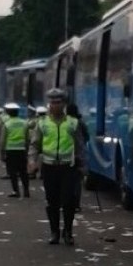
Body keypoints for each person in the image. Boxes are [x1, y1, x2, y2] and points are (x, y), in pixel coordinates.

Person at [28, 88, 85, 246]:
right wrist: (32, 161)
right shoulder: (43, 123)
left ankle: (68, 232)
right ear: (48, 104)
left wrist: (83, 167)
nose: (55, 106)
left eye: (58, 102)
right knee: (51, 201)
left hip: (68, 168)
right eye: (52, 102)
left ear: (64, 104)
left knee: (68, 201)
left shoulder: (73, 123)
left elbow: (80, 146)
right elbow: (34, 145)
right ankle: (54, 232)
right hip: (49, 167)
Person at [0, 103, 29, 198]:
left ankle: (16, 191)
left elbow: (2, 140)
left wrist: (2, 153)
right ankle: (26, 191)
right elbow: (27, 138)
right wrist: (27, 150)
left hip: (11, 150)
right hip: (22, 150)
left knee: (12, 172)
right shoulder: (24, 123)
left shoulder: (7, 124)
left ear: (8, 113)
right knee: (23, 171)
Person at [65, 102, 89, 211]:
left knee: (65, 181)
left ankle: (66, 202)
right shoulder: (80, 123)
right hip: (79, 154)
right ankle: (76, 204)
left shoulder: (64, 122)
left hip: (66, 154)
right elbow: (86, 136)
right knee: (77, 181)